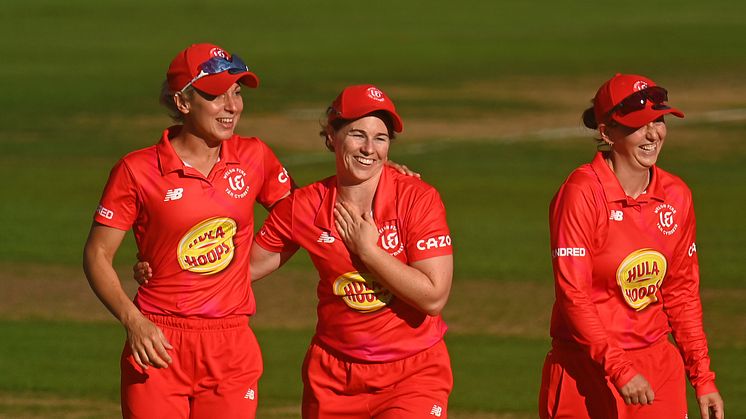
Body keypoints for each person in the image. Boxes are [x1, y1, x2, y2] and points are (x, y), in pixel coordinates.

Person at [83, 42, 293, 418]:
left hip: (231, 346)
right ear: (183, 102)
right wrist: (134, 322)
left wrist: (381, 172)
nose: (232, 107)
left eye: (237, 92)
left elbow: (303, 215)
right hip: (159, 342)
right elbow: (97, 255)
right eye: (216, 96)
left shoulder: (255, 155)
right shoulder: (136, 171)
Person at [249, 84, 455, 418]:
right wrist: (157, 263)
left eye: (381, 138)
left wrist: (368, 251)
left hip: (413, 375)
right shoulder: (304, 207)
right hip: (333, 379)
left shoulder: (418, 198)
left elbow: (433, 296)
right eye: (358, 135)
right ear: (332, 135)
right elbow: (238, 274)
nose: (369, 149)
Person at [538, 73, 724, 419]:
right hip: (586, 371)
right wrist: (619, 367)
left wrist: (703, 379)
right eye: (640, 125)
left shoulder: (677, 196)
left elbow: (681, 293)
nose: (654, 134)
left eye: (659, 120)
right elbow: (573, 295)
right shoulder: (581, 194)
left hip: (657, 372)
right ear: (607, 133)